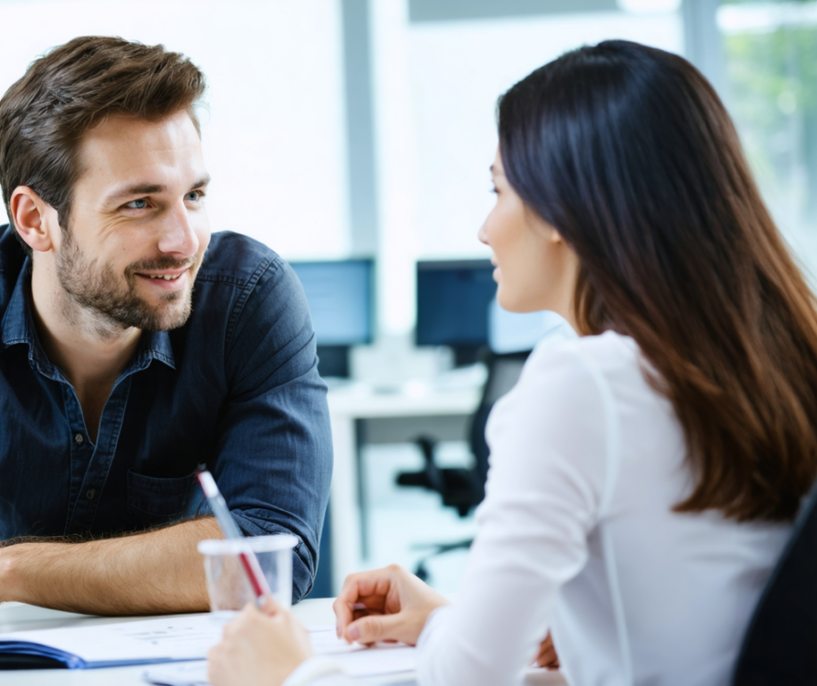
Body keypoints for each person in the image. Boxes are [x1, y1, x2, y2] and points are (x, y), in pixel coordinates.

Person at [207, 39, 817, 686]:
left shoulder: (586, 385)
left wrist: (286, 675)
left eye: (498, 190)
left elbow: (468, 681)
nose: (484, 228)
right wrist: (457, 622)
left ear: (560, 206)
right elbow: (689, 641)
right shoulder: (780, 360)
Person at [0, 36, 332, 616]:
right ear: (35, 220)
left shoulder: (246, 297)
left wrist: (7, 570)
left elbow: (271, 560)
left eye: (193, 195)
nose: (184, 241)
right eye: (139, 204)